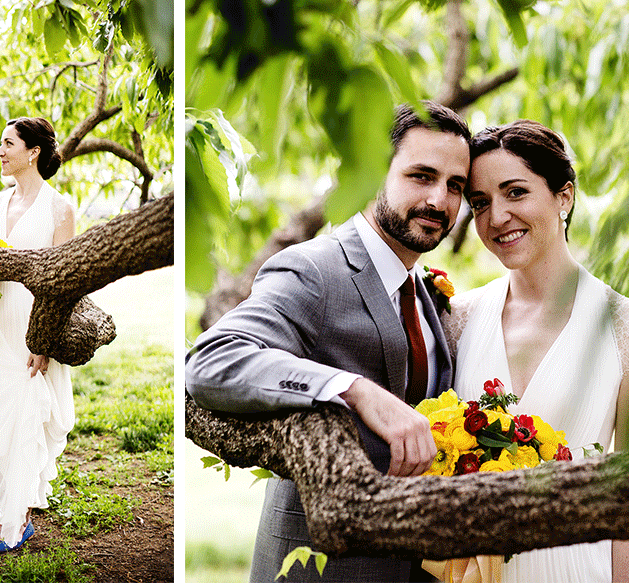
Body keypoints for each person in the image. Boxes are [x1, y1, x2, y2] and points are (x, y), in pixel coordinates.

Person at [186, 101, 471, 582]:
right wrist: (353, 390)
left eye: (455, 186)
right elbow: (213, 359)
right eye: (421, 176)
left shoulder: (424, 291)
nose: (440, 201)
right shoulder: (314, 268)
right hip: (317, 566)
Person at [448, 119, 629, 583]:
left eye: (515, 192)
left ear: (563, 196)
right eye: (480, 203)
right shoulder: (456, 319)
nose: (496, 217)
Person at [0, 117, 77, 553]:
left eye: (7, 143)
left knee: (27, 419)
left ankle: (15, 522)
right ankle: (5, 514)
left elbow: (64, 284)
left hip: (33, 330)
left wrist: (45, 341)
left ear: (32, 152)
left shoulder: (60, 208)